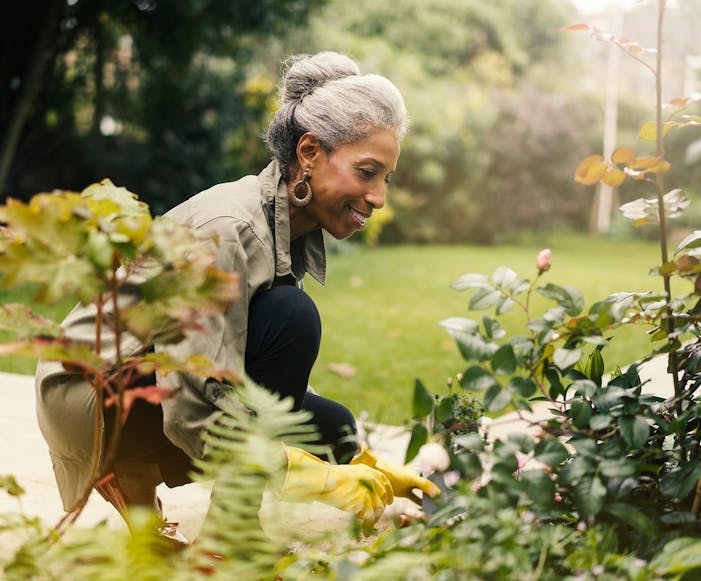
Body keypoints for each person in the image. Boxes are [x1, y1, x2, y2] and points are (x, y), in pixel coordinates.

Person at [34, 51, 439, 544]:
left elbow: (245, 365)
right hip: (89, 397)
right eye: (367, 172)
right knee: (293, 317)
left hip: (147, 381)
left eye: (386, 179)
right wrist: (313, 477)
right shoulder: (230, 229)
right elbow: (191, 406)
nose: (378, 197)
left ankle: (136, 475)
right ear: (309, 153)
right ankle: (223, 530)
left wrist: (359, 466)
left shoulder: (286, 225)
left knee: (334, 430)